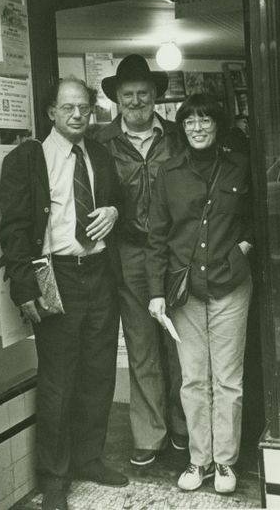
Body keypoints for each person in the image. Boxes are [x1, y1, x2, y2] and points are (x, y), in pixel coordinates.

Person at [0, 77, 128, 510]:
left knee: (99, 373)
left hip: (99, 275)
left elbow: (118, 206)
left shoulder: (101, 155)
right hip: (58, 277)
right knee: (58, 380)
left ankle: (89, 458)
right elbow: (13, 227)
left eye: (84, 109)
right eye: (68, 108)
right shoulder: (28, 159)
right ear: (51, 112)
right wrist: (22, 284)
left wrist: (112, 209)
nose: (77, 115)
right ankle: (55, 476)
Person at [146, 93, 253, 494]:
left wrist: (243, 252)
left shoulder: (239, 167)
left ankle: (225, 463)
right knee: (193, 379)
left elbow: (256, 221)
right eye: (189, 121)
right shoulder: (168, 173)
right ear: (182, 126)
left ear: (217, 125)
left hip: (231, 286)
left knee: (228, 379)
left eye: (205, 120)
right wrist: (156, 291)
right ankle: (199, 459)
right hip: (184, 292)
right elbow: (156, 238)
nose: (197, 127)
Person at [96, 54, 187, 467]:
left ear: (156, 97)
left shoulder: (177, 137)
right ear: (117, 98)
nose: (136, 101)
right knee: (141, 345)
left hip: (174, 252)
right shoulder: (100, 144)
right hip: (129, 253)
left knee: (179, 344)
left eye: (143, 94)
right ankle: (150, 435)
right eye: (128, 94)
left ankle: (184, 426)